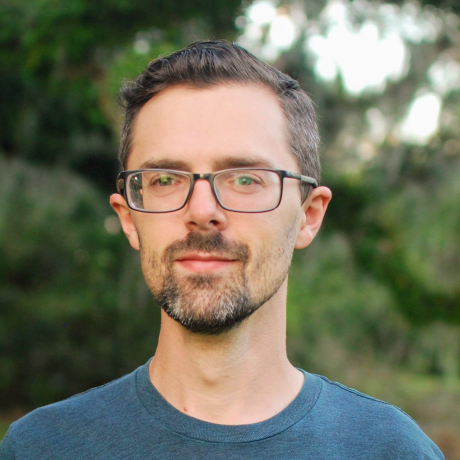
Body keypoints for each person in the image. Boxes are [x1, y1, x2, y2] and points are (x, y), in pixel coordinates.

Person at [0, 40, 443, 460]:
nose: (201, 212)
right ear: (129, 217)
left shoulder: (391, 450)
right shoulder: (43, 448)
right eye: (165, 179)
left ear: (308, 215)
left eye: (245, 178)